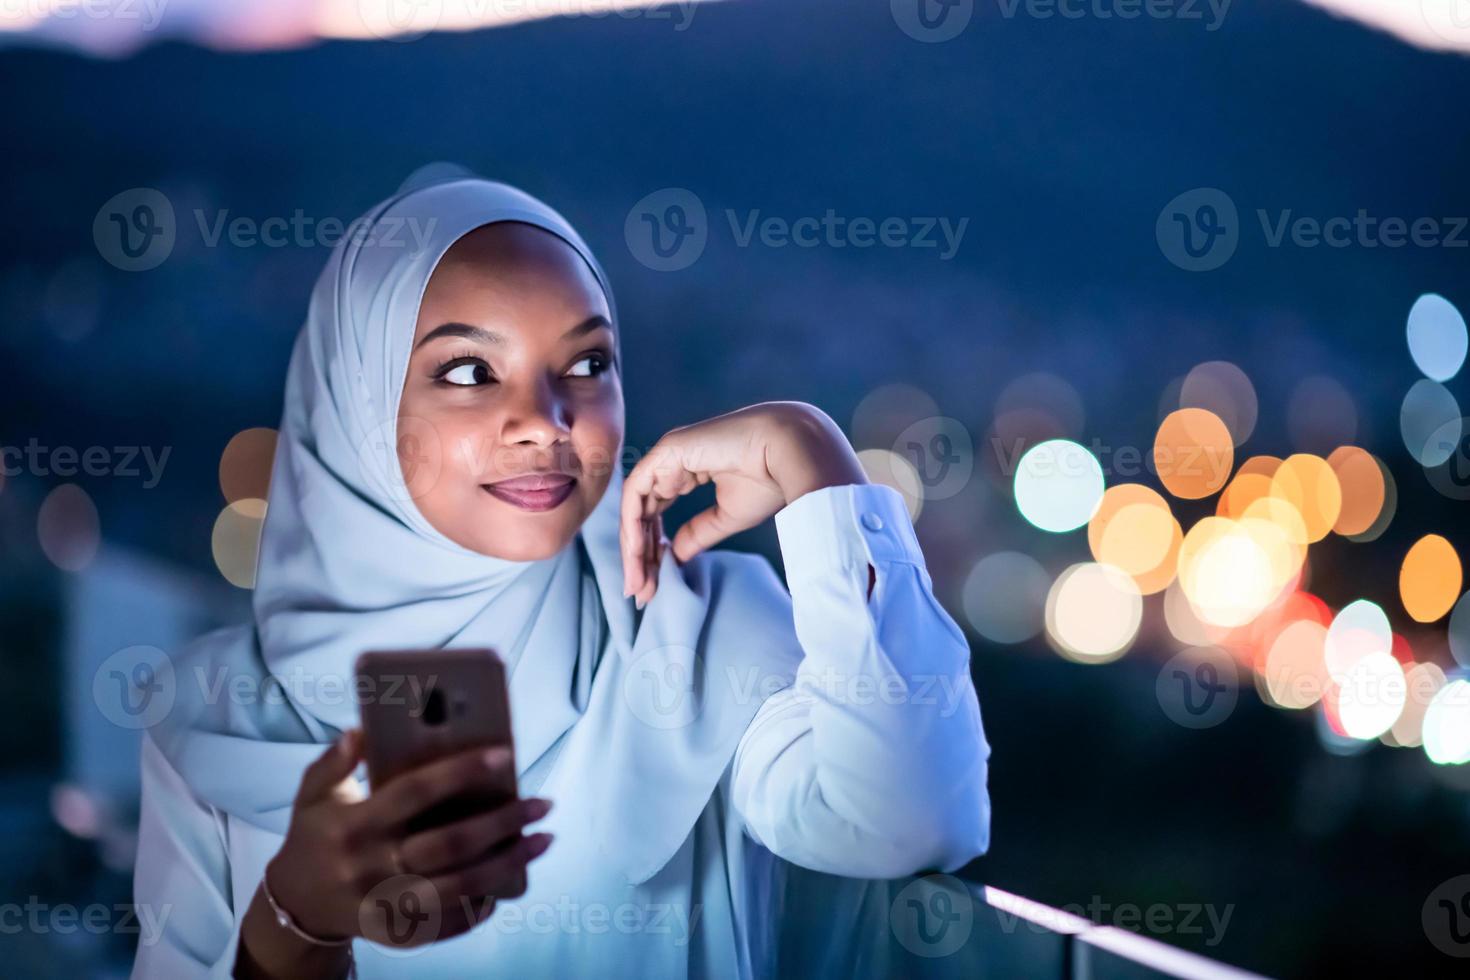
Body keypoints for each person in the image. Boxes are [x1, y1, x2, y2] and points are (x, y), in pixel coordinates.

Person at [130, 168, 991, 979]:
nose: (545, 423)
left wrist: (816, 456)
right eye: (468, 372)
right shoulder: (215, 714)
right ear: (356, 404)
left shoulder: (698, 634)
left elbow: (917, 818)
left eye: (587, 365)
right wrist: (296, 920)